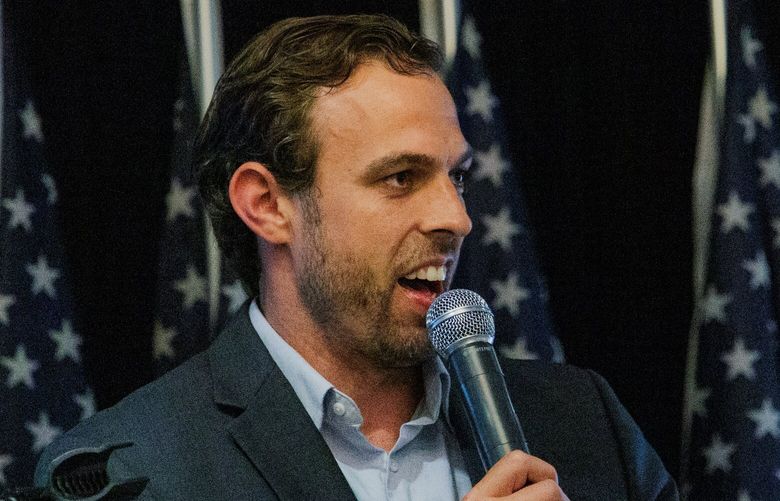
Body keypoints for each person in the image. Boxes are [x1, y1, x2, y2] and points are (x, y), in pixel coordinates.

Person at [36, 14, 678, 500]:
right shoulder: (132, 471)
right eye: (400, 177)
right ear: (267, 203)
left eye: (455, 177)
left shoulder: (585, 424)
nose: (456, 218)